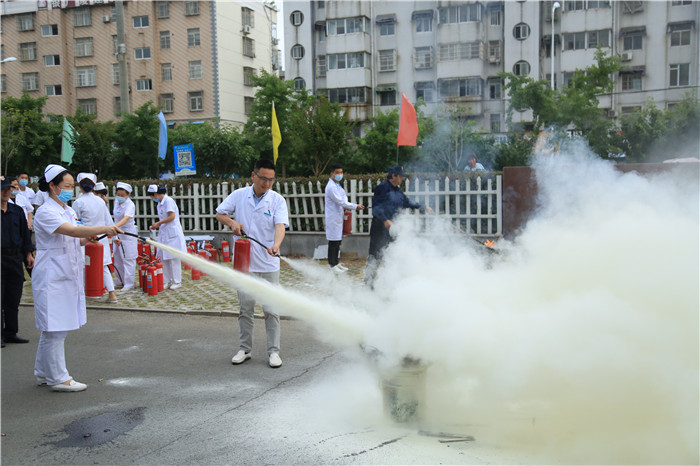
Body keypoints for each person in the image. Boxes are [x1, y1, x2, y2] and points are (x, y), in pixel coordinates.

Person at [32, 164, 122, 391]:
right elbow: (71, 231)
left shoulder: (68, 211)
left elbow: (76, 238)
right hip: (52, 275)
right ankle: (59, 378)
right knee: (55, 329)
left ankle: (43, 372)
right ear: (52, 186)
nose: (70, 190)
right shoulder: (46, 211)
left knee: (53, 328)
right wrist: (103, 228)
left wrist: (90, 237)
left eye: (72, 186)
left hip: (65, 272)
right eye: (66, 186)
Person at [215, 158, 289, 368]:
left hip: (268, 263)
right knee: (245, 309)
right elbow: (220, 213)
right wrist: (232, 222)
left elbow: (280, 225)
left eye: (271, 179)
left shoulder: (277, 200)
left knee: (271, 310)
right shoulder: (239, 195)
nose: (267, 183)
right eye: (263, 178)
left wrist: (276, 244)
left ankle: (274, 352)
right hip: (244, 263)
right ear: (253, 176)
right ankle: (245, 349)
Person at [365, 165, 433, 287]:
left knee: (392, 254)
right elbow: (376, 207)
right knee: (375, 255)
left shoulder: (398, 191)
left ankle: (389, 283)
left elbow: (407, 202)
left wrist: (423, 206)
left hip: (393, 227)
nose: (402, 179)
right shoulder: (382, 188)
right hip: (380, 227)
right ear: (394, 176)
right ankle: (368, 283)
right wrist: (385, 220)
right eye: (401, 176)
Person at [72, 173, 118, 303]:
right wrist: (115, 237)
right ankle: (112, 294)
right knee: (103, 266)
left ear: (80, 186)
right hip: (101, 237)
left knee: (82, 265)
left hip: (85, 238)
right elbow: (108, 220)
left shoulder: (78, 202)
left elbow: (75, 222)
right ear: (94, 187)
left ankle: (81, 294)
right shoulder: (100, 201)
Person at [1, 177, 35, 348]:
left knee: (13, 297)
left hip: (15, 258)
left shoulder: (17, 211)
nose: (7, 192)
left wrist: (28, 253)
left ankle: (11, 332)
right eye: (3, 189)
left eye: (9, 188)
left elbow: (24, 234)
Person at [324, 164, 364, 274]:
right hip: (333, 218)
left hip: (338, 217)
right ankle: (332, 264)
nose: (340, 174)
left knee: (337, 241)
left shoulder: (337, 185)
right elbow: (341, 201)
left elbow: (344, 197)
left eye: (341, 172)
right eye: (337, 172)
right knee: (333, 242)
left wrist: (349, 205)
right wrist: (355, 206)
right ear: (332, 173)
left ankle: (336, 262)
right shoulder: (331, 187)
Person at [148, 184, 186, 289]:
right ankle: (166, 281)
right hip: (164, 233)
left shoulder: (168, 201)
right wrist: (158, 225)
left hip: (172, 233)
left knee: (173, 258)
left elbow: (172, 216)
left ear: (155, 194)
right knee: (164, 258)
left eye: (152, 196)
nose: (152, 198)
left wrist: (158, 223)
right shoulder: (159, 204)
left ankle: (176, 281)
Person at [112, 182, 138, 291]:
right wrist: (115, 229)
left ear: (128, 195)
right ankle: (119, 282)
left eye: (122, 195)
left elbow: (126, 218)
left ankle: (129, 284)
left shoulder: (130, 205)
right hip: (117, 233)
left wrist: (115, 226)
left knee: (128, 258)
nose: (120, 197)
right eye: (118, 194)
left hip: (127, 234)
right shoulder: (116, 202)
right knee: (117, 258)